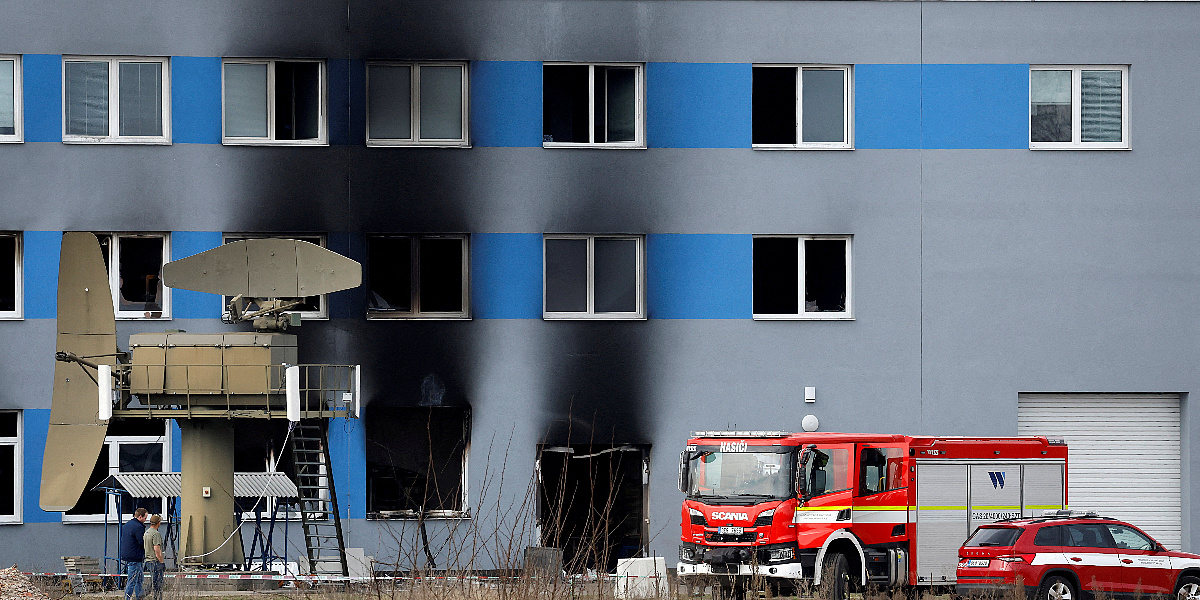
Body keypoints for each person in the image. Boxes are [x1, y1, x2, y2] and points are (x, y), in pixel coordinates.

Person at [120, 507, 148, 600]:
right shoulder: (139, 527)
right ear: (140, 517)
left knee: (139, 579)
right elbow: (141, 542)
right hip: (135, 557)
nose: (145, 520)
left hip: (128, 555)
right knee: (132, 580)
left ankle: (139, 596)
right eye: (145, 518)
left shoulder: (128, 524)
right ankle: (127, 598)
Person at [143, 514, 165, 600]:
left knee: (153, 581)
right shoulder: (156, 534)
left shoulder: (147, 532)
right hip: (155, 561)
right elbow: (157, 550)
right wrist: (161, 562)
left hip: (148, 560)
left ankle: (143, 595)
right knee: (158, 584)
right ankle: (156, 598)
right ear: (158, 523)